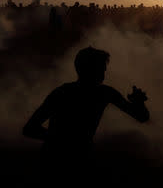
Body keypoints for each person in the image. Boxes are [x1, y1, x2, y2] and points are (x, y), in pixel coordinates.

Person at [23, 47, 150, 182]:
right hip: (57, 161)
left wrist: (139, 102)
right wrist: (65, 142)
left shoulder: (97, 93)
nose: (103, 73)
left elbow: (141, 117)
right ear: (86, 69)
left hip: (69, 158)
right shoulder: (68, 93)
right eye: (100, 68)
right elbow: (29, 129)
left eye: (103, 69)